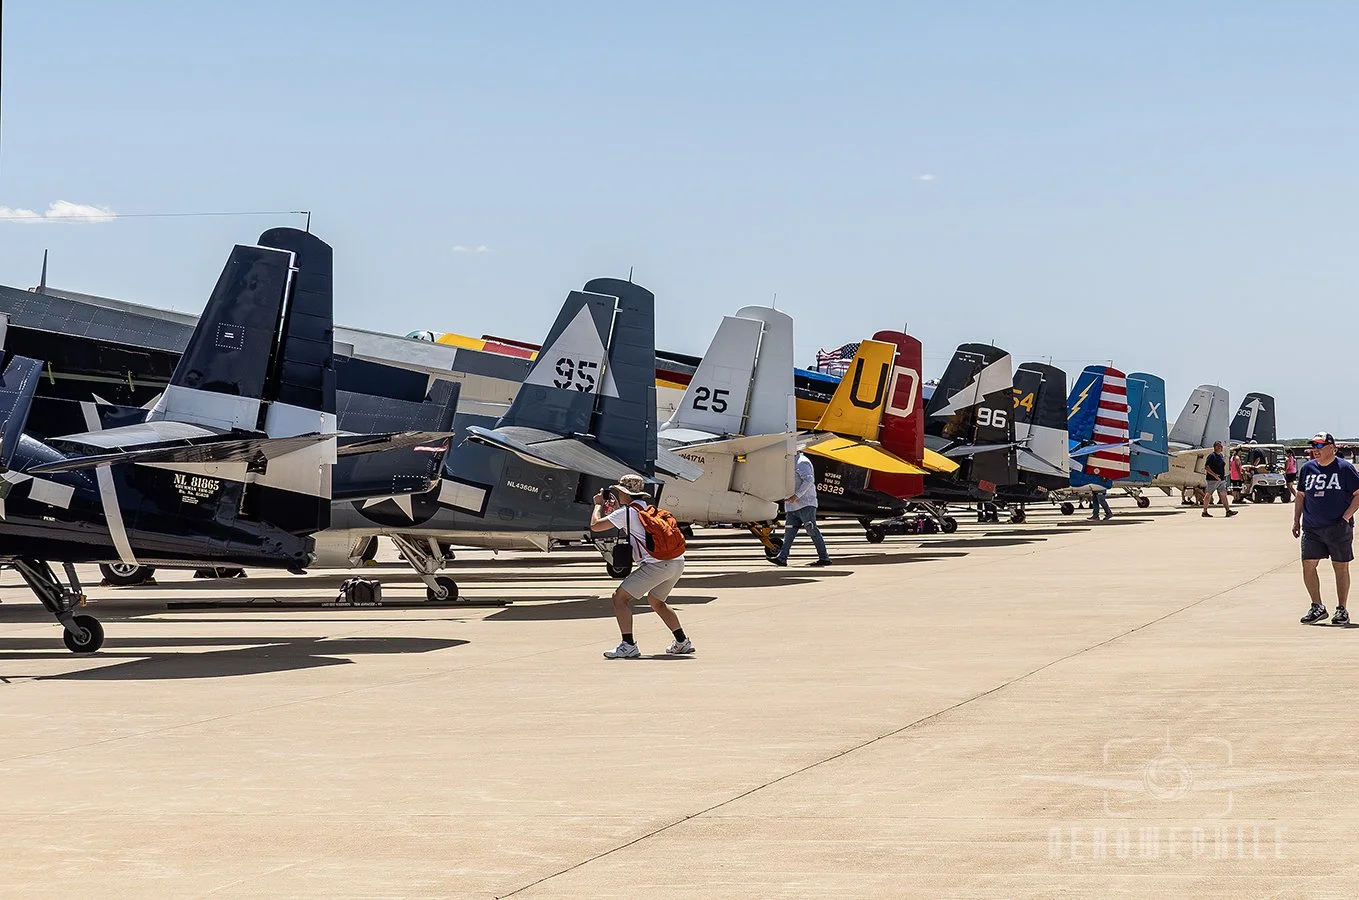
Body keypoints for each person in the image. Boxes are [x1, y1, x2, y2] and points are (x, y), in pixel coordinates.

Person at [590, 474, 693, 659]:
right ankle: (682, 642)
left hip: (657, 565)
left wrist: (598, 504)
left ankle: (628, 645)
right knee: (656, 601)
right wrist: (614, 510)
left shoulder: (625, 513)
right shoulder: (648, 509)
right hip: (677, 562)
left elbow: (595, 526)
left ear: (624, 493)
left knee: (620, 599)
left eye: (619, 491)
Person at [1296, 433, 1359, 626]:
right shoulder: (1307, 469)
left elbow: (1358, 494)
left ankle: (1342, 609)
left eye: (1320, 446)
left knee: (1340, 566)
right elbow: (1300, 495)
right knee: (1308, 564)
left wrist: (1345, 517)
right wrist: (1296, 520)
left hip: (1337, 527)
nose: (1315, 450)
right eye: (1313, 446)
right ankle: (1317, 606)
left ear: (1332, 448)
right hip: (1312, 527)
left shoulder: (1345, 469)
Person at [770, 450, 832, 567]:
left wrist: (796, 496)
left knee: (812, 530)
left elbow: (809, 480)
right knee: (789, 533)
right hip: (792, 506)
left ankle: (824, 557)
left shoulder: (802, 462)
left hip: (805, 504)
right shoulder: (787, 463)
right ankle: (782, 558)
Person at [1202, 441, 1237, 518]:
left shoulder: (1220, 456)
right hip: (1212, 480)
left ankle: (1228, 511)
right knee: (1208, 495)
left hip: (1221, 480)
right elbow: (1206, 467)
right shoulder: (1211, 456)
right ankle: (1204, 512)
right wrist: (1215, 475)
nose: (1222, 448)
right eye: (1220, 446)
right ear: (1216, 447)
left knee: (1223, 495)